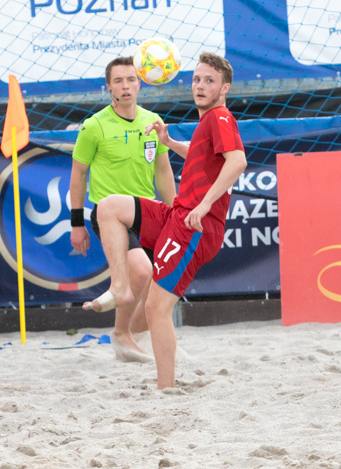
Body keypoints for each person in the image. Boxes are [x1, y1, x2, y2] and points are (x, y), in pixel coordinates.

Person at [89, 53, 247, 390]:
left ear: (224, 88)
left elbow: (237, 161)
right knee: (109, 207)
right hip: (178, 215)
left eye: (209, 81)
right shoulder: (209, 121)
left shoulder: (220, 117)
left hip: (193, 226)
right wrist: (170, 143)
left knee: (156, 308)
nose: (200, 86)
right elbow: (204, 155)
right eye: (197, 79)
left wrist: (205, 204)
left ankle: (166, 388)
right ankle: (120, 286)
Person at [72, 57, 179, 361]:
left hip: (147, 212)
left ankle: (141, 337)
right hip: (111, 216)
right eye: (118, 81)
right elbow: (78, 174)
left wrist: (176, 213)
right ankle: (121, 335)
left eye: (131, 79)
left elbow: (163, 171)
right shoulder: (94, 126)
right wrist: (76, 223)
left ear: (140, 83)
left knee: (160, 285)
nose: (125, 86)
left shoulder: (152, 121)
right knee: (141, 270)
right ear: (109, 87)